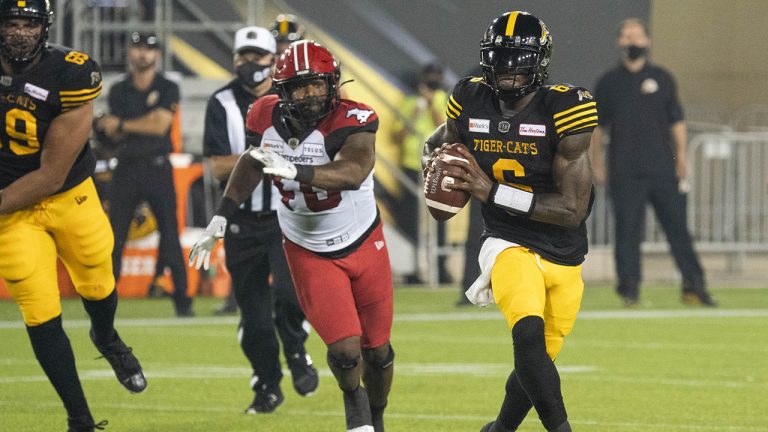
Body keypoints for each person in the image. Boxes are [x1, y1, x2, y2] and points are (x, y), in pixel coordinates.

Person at [190, 40, 395, 432]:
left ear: (333, 83)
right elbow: (253, 162)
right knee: (346, 351)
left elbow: (353, 172)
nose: (310, 94)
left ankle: (378, 416)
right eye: (300, 87)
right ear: (281, 91)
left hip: (364, 240)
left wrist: (293, 170)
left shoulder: (355, 117)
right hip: (307, 247)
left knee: (379, 352)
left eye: (317, 85)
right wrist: (220, 217)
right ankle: (355, 406)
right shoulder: (263, 114)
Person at [425, 11, 597, 432]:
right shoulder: (468, 97)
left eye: (519, 58)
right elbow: (443, 140)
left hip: (564, 248)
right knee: (526, 336)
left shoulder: (566, 107)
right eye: (499, 57)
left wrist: (491, 191)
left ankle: (500, 428)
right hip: (507, 239)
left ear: (540, 61)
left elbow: (572, 208)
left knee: (536, 361)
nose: (507, 68)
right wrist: (434, 161)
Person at [0, 1, 147, 431]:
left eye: (29, 23)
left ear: (44, 27)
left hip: (66, 194)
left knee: (97, 281)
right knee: (39, 309)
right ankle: (79, 419)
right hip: (13, 214)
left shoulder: (71, 73)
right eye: (11, 22)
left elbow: (50, 174)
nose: (20, 32)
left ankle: (106, 336)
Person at [201, 25, 318, 413]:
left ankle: (297, 352)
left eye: (258, 56)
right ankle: (267, 385)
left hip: (288, 216)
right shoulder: (221, 102)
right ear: (235, 58)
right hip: (242, 221)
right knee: (253, 318)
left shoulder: (292, 99)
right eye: (243, 55)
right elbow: (218, 166)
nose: (250, 63)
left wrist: (273, 160)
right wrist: (263, 155)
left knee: (290, 296)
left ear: (274, 59)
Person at [591, 18, 716, 307]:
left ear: (647, 41)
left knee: (678, 229)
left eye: (636, 36)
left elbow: (676, 120)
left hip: (662, 167)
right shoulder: (609, 82)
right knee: (627, 232)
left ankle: (693, 286)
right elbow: (598, 127)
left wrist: (682, 156)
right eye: (626, 36)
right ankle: (629, 290)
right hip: (624, 170)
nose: (631, 41)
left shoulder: (662, 78)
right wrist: (597, 162)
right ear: (618, 42)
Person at [95, 31, 194, 317]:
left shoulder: (166, 87)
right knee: (114, 237)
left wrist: (123, 124)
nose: (143, 54)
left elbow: (159, 125)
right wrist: (122, 126)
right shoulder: (118, 90)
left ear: (157, 54)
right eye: (138, 48)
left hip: (157, 167)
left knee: (171, 237)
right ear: (129, 52)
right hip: (126, 168)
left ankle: (183, 301)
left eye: (149, 49)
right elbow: (113, 130)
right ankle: (104, 303)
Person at [392, 62, 450, 284]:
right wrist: (415, 114)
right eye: (430, 77)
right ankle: (413, 269)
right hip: (411, 163)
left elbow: (445, 127)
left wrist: (430, 103)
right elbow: (397, 136)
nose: (433, 81)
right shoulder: (408, 102)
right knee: (410, 220)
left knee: (441, 215)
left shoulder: (444, 99)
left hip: (437, 163)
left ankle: (441, 270)